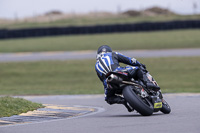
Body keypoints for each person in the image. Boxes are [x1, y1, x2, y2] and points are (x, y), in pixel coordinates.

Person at [95, 45, 160, 112]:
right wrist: (140, 64)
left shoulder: (96, 65)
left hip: (109, 82)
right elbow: (130, 60)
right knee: (138, 69)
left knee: (108, 98)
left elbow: (102, 80)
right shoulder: (112, 54)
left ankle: (124, 101)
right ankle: (148, 83)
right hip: (119, 72)